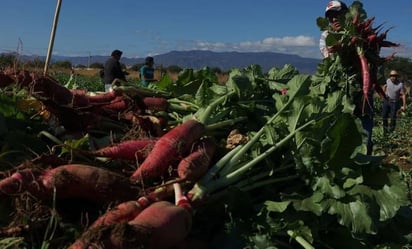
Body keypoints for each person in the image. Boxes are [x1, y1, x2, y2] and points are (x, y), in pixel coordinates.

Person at [319, 1, 374, 155]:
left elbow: (371, 57)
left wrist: (356, 43)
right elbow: (328, 58)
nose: (334, 19)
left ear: (347, 14)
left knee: (365, 130)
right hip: (339, 90)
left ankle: (365, 160)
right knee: (338, 128)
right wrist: (342, 49)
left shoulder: (361, 30)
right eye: (330, 17)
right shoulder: (326, 35)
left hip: (361, 88)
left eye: (337, 14)